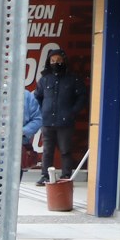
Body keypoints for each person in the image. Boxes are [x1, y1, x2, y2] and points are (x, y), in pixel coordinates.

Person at [36, 50, 86, 180]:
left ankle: (66, 175)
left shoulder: (73, 79)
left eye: (58, 60)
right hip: (47, 121)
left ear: (64, 61)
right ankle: (45, 175)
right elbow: (37, 97)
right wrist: (42, 111)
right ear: (49, 62)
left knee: (65, 150)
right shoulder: (45, 80)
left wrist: (73, 112)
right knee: (47, 151)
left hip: (65, 122)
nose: (56, 63)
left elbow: (82, 97)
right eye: (52, 61)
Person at [0, 87, 42, 175]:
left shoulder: (27, 97)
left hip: (17, 154)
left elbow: (38, 119)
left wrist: (22, 131)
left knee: (14, 186)